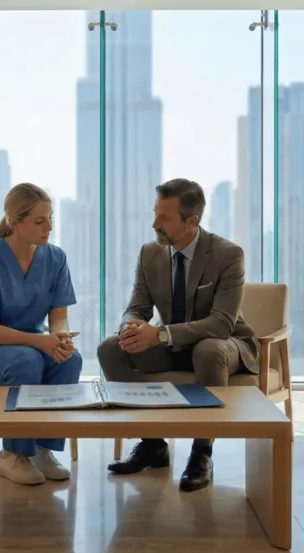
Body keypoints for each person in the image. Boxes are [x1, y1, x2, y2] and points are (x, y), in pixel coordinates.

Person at [96, 178, 258, 492]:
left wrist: (159, 335)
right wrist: (132, 328)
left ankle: (201, 452)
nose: (155, 223)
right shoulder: (150, 253)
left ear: (191, 221)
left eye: (165, 217)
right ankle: (152, 444)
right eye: (155, 213)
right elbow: (137, 307)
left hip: (225, 345)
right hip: (172, 344)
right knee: (110, 348)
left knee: (208, 350)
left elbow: (222, 323)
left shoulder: (228, 254)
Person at [0, 182, 83, 486]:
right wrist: (42, 342)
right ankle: (13, 455)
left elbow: (59, 318)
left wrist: (60, 339)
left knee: (70, 360)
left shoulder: (56, 258)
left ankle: (43, 449)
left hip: (27, 345)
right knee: (27, 362)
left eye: (50, 219)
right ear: (14, 222)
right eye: (39, 221)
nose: (49, 228)